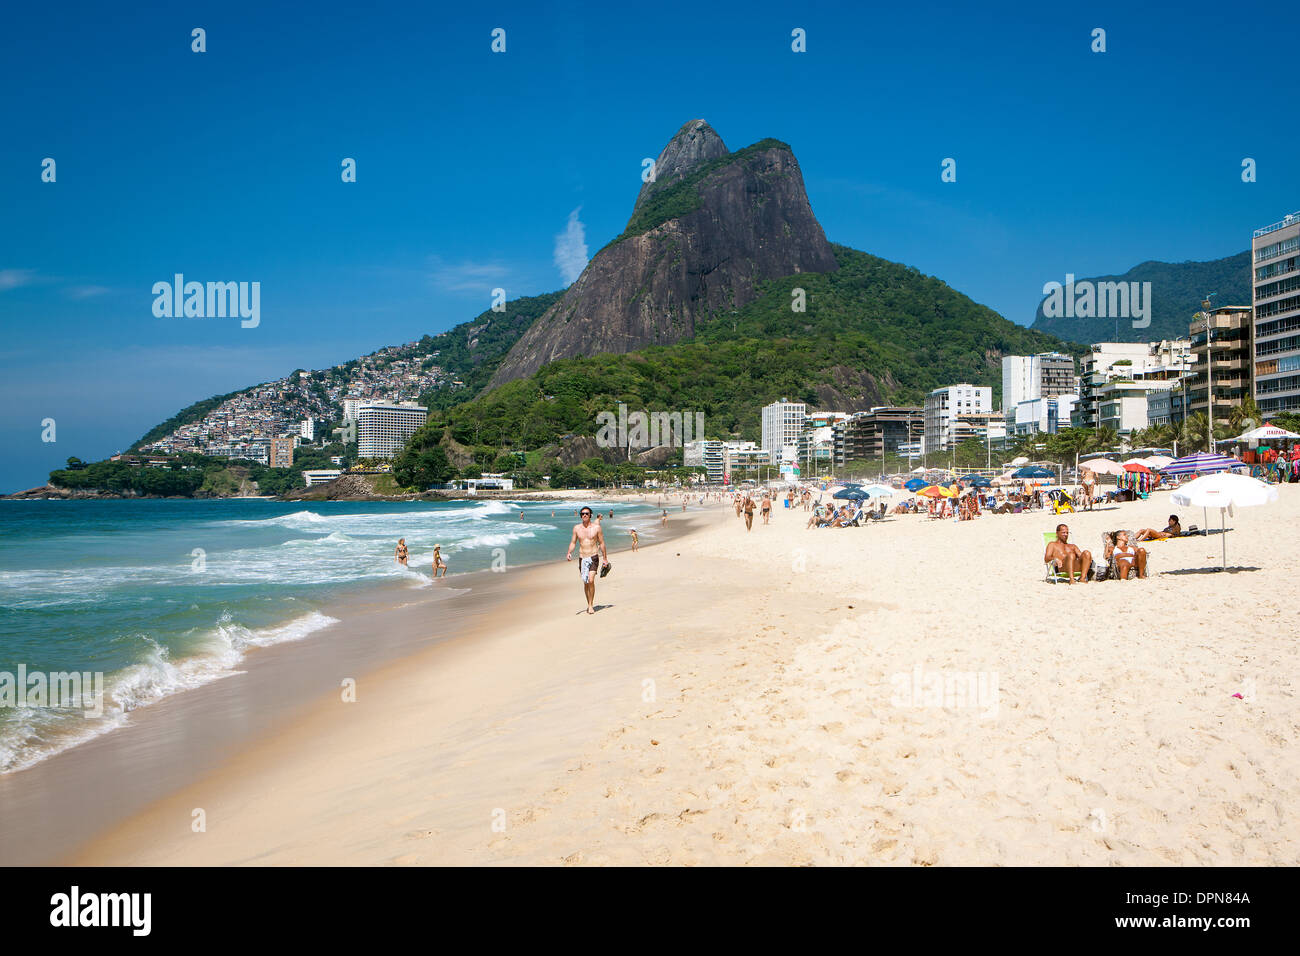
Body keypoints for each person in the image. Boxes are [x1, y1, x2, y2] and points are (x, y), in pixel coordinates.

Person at [565, 506, 609, 615]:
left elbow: (602, 543)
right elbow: (573, 542)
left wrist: (605, 558)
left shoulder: (597, 528)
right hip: (582, 558)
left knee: (591, 580)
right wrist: (569, 552)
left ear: (590, 515)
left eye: (587, 513)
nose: (584, 515)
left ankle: (590, 605)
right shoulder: (576, 528)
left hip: (594, 556)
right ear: (580, 515)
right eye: (583, 513)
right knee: (585, 583)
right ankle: (588, 603)